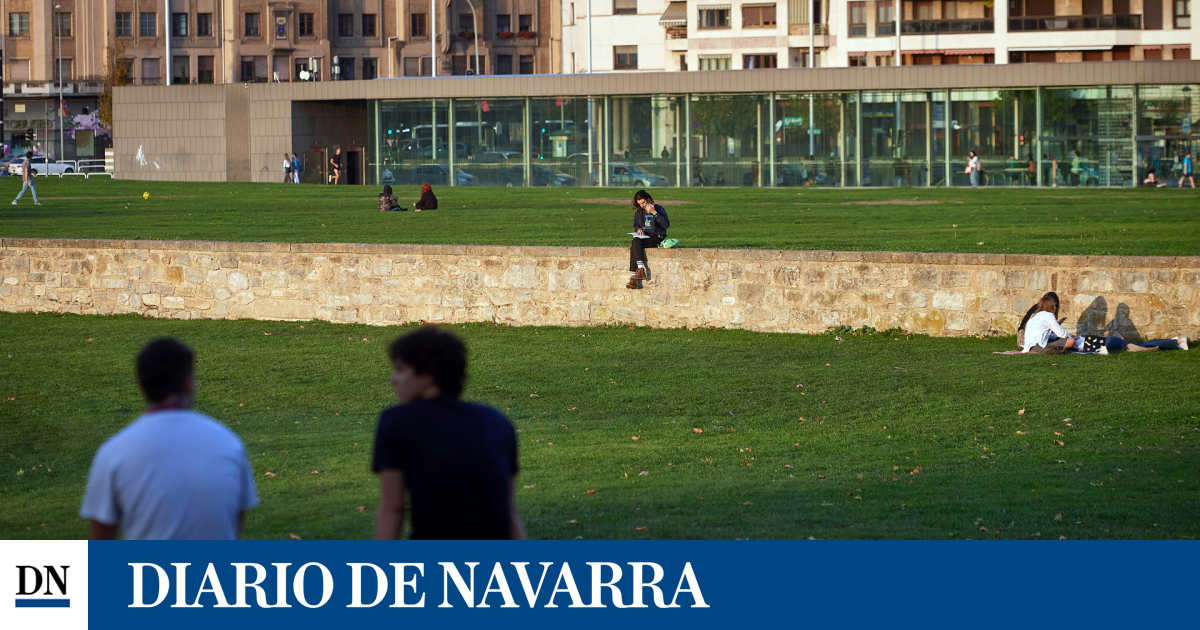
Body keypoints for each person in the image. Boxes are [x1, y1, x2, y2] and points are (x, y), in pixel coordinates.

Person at [79, 338, 258, 539]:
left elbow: (101, 543)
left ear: (141, 387)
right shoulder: (229, 443)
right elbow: (235, 523)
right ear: (188, 382)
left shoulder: (114, 453)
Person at [372, 327, 525, 540]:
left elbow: (393, 509)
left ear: (428, 375)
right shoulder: (497, 422)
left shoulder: (397, 421)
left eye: (400, 369)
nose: (393, 380)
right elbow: (509, 514)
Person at [626, 189, 669, 290]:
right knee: (635, 242)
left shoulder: (659, 209)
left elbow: (666, 225)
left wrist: (654, 212)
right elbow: (636, 224)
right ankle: (639, 270)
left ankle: (634, 277)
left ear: (648, 199)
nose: (642, 206)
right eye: (640, 204)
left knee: (635, 245)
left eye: (643, 202)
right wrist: (639, 229)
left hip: (657, 236)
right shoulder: (639, 212)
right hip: (645, 236)